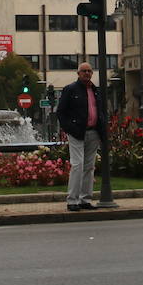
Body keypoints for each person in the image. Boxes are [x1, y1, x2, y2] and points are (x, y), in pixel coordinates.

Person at [56, 62, 106, 212]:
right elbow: (61, 112)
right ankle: (72, 200)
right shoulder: (70, 89)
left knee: (89, 167)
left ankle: (85, 199)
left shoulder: (95, 90)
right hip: (77, 132)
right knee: (77, 165)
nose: (87, 73)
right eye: (84, 71)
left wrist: (102, 129)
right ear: (78, 73)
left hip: (93, 132)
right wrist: (70, 129)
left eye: (89, 71)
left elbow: (101, 111)